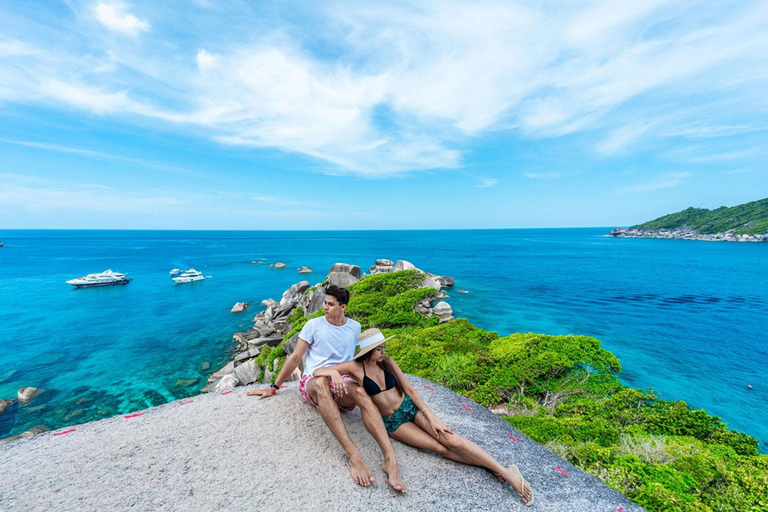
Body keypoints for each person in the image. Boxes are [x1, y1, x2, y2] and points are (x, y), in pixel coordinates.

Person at [313, 328, 535, 506]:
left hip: (411, 408)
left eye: (383, 347)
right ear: (369, 351)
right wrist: (334, 373)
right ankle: (491, 468)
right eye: (379, 348)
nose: (383, 352)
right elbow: (316, 372)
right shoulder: (354, 367)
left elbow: (409, 389)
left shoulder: (388, 363)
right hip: (393, 422)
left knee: (451, 440)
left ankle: (508, 472)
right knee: (439, 449)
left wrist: (430, 415)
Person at [247, 285, 406, 493]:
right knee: (322, 383)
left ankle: (390, 459)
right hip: (315, 380)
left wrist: (381, 379)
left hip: (343, 382)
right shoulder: (313, 325)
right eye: (325, 303)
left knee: (360, 392)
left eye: (330, 304)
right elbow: (295, 358)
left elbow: (359, 359)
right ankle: (353, 455)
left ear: (343, 307)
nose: (325, 307)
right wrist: (274, 387)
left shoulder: (355, 327)